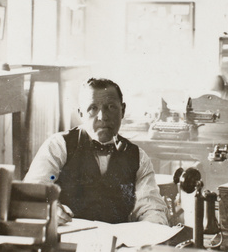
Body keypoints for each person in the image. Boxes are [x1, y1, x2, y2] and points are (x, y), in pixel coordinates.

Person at [24, 77, 169, 225]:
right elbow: (32, 194)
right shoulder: (58, 146)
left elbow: (151, 208)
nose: (102, 117)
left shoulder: (138, 157)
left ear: (123, 110)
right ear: (81, 114)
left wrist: (154, 228)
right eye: (93, 108)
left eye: (111, 107)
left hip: (117, 244)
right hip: (68, 242)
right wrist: (49, 209)